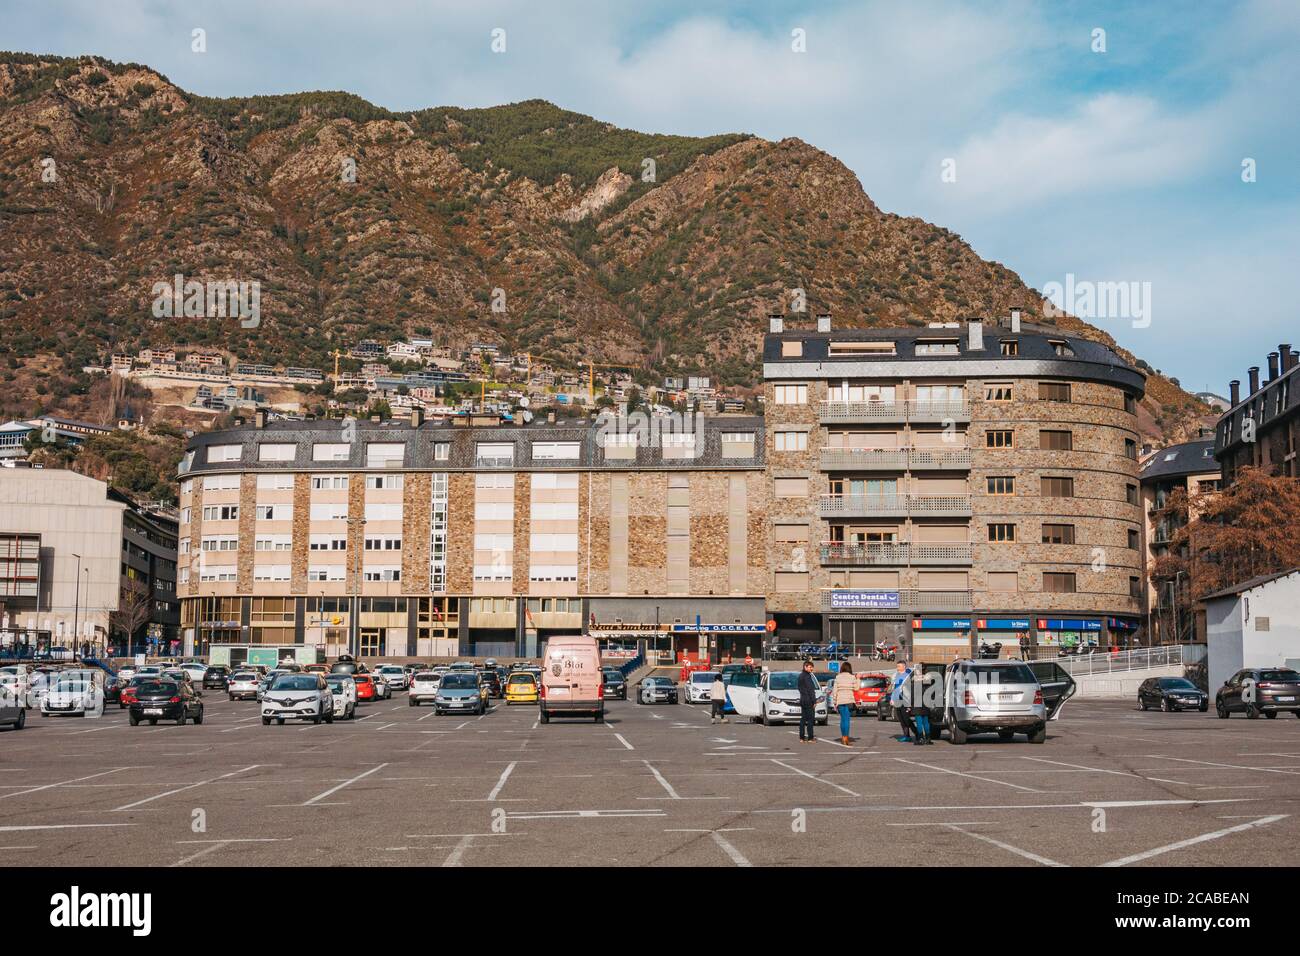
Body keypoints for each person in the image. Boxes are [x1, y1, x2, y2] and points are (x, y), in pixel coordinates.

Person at [832, 660, 857, 745]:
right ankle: (846, 738)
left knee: (843, 719)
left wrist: (834, 702)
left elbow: (835, 691)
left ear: (842, 668)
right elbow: (856, 688)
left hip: (840, 700)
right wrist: (859, 679)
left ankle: (843, 737)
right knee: (847, 720)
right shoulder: (852, 677)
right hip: (849, 700)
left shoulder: (838, 677)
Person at [909, 666, 934, 746]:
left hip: (917, 704)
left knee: (919, 722)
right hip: (926, 704)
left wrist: (910, 705)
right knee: (926, 722)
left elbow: (912, 695)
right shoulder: (928, 681)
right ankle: (928, 738)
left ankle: (920, 738)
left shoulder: (914, 682)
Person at [889, 660, 913, 742]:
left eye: (899, 666)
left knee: (907, 719)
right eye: (897, 666)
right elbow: (894, 689)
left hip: (905, 700)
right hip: (897, 701)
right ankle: (906, 736)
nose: (897, 668)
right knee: (902, 720)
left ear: (904, 667)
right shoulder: (896, 676)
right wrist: (892, 698)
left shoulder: (908, 676)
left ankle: (917, 733)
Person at [797, 659, 818, 743]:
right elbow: (810, 689)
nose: (811, 669)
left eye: (812, 667)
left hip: (803, 699)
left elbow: (799, 687)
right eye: (810, 667)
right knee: (810, 719)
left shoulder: (800, 676)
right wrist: (814, 701)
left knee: (803, 719)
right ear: (805, 667)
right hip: (809, 700)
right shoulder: (807, 676)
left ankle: (801, 737)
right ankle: (810, 737)